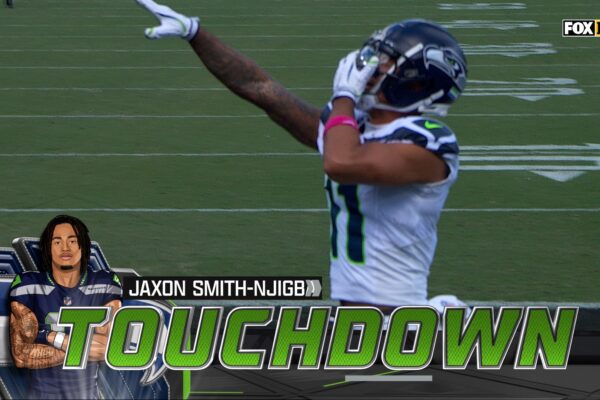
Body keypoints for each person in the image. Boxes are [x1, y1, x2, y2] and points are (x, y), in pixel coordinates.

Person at [136, 0, 468, 313]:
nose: (368, 66)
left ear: (415, 81)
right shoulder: (355, 128)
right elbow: (261, 89)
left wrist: (345, 95)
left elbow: (341, 163)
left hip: (399, 320)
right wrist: (196, 34)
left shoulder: (430, 141)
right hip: (361, 318)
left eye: (384, 61)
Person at [9, 215, 122, 399]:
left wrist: (48, 335)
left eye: (72, 240)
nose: (65, 248)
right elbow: (21, 355)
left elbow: (112, 349)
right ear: (48, 248)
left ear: (83, 246)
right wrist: (82, 345)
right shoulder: (29, 284)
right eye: (57, 241)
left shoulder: (104, 283)